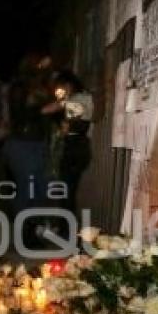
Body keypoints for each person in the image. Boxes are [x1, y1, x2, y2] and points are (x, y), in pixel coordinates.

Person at [3, 61, 53, 247]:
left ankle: (30, 232)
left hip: (33, 143)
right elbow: (26, 112)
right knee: (28, 191)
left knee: (38, 190)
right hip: (23, 143)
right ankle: (25, 235)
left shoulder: (33, 88)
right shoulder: (20, 88)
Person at [41, 70, 93, 220]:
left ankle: (66, 229)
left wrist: (63, 128)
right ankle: (65, 226)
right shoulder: (83, 97)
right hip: (80, 147)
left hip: (74, 147)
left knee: (67, 191)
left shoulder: (76, 99)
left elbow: (72, 125)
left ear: (68, 85)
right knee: (68, 190)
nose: (61, 90)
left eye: (62, 87)